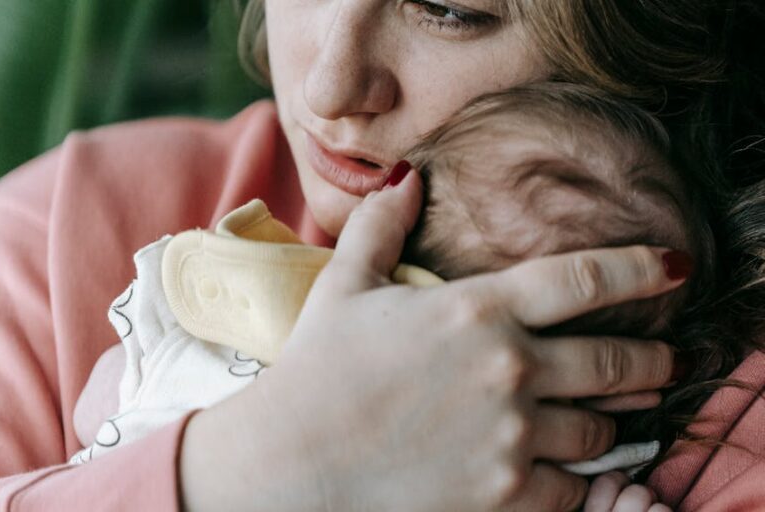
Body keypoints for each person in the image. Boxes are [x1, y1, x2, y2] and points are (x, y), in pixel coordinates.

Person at [0, 2, 762, 511]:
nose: (330, 87)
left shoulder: (739, 419)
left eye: (448, 8)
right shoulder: (65, 226)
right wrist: (261, 463)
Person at [72, 83, 694, 510]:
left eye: (452, 10)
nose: (330, 88)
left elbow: (98, 412)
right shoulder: (568, 475)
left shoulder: (261, 319)